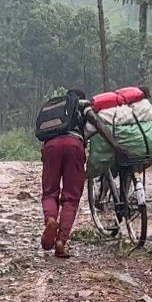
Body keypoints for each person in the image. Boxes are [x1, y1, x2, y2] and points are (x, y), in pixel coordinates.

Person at [39, 90, 107, 258]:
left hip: (51, 146)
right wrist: (117, 147)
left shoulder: (57, 107)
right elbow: (98, 125)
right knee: (71, 198)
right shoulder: (83, 105)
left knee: (50, 193)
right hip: (74, 145)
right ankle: (61, 241)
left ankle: (50, 220)